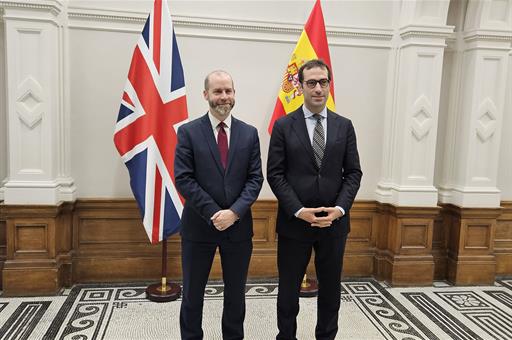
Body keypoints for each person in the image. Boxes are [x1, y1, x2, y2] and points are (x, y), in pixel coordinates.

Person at [267, 59, 362, 340]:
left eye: (323, 82)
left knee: (331, 290)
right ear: (300, 86)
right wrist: (298, 210)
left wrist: (340, 210)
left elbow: (354, 173)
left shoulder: (345, 126)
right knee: (287, 291)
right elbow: (275, 174)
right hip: (294, 224)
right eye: (311, 83)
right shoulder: (283, 126)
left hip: (334, 225)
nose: (318, 88)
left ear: (329, 86)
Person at [174, 70, 263, 340]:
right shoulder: (188, 132)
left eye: (228, 91)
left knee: (236, 295)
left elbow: (255, 178)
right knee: (192, 295)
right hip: (199, 227)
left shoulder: (249, 134)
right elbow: (184, 178)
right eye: (218, 91)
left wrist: (234, 213)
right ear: (205, 95)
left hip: (238, 228)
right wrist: (214, 213)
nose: (224, 97)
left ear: (234, 94)